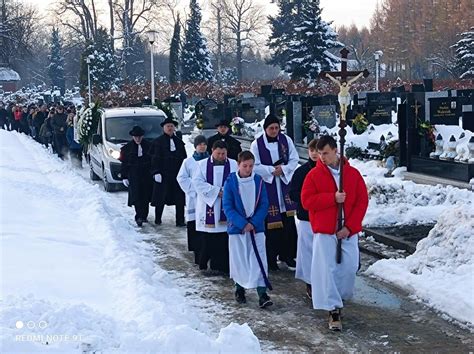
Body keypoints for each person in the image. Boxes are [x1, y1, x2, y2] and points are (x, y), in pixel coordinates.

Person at [301, 135, 368, 331]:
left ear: (335, 151)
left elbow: (361, 202)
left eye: (326, 153)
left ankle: (341, 298)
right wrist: (332, 198)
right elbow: (307, 201)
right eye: (320, 154)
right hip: (325, 231)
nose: (322, 158)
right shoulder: (313, 176)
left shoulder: (352, 174)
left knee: (349, 267)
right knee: (328, 271)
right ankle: (333, 310)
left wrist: (350, 227)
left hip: (347, 231)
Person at [223, 151, 273, 308]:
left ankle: (262, 293)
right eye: (245, 166)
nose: (248, 169)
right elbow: (228, 206)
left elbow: (264, 204)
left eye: (251, 166)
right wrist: (242, 223)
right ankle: (239, 288)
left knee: (258, 259)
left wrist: (254, 222)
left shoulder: (258, 180)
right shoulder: (231, 181)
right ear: (238, 164)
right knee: (240, 259)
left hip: (256, 228)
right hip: (238, 229)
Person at [250, 114, 299, 271]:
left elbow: (294, 159)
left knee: (288, 224)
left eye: (277, 128)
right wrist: (272, 170)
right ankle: (271, 259)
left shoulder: (286, 140)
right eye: (271, 128)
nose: (274, 130)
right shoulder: (257, 144)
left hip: (284, 184)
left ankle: (288, 256)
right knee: (271, 227)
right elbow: (255, 165)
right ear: (265, 129)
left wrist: (283, 169)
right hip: (268, 185)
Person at [192, 140, 238, 275]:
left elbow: (238, 180)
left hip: (227, 204)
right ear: (212, 151)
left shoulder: (234, 164)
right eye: (218, 153)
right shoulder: (201, 165)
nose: (221, 156)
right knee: (208, 238)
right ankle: (205, 264)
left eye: (224, 154)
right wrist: (217, 191)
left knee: (224, 238)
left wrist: (228, 193)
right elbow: (197, 182)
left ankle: (223, 266)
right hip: (209, 205)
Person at [289, 139, 319, 300]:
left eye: (317, 150)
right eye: (311, 150)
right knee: (308, 252)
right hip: (307, 217)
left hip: (323, 218)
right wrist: (307, 200)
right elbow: (292, 193)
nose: (314, 153)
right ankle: (310, 282)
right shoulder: (301, 172)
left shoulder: (328, 169)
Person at [177, 135, 209, 265]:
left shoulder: (211, 161)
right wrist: (195, 188)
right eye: (199, 144)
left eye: (204, 144)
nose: (202, 146)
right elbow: (181, 178)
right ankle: (197, 254)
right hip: (194, 198)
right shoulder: (188, 162)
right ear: (195, 146)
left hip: (207, 198)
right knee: (195, 227)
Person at [150, 117, 187, 226]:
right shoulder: (157, 142)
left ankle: (180, 220)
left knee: (179, 199)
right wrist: (156, 172)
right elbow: (154, 159)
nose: (170, 128)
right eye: (168, 126)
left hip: (177, 174)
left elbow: (183, 159)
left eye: (171, 126)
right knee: (160, 198)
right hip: (163, 174)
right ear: (163, 128)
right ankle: (158, 219)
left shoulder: (179, 142)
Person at [119, 126, 154, 227]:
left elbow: (153, 161)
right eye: (135, 137)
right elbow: (124, 163)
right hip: (134, 176)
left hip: (146, 175)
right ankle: (138, 216)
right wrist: (124, 176)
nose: (137, 139)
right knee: (136, 196)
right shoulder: (126, 149)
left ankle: (144, 215)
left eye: (139, 136)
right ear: (133, 137)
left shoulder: (149, 146)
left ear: (142, 136)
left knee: (146, 197)